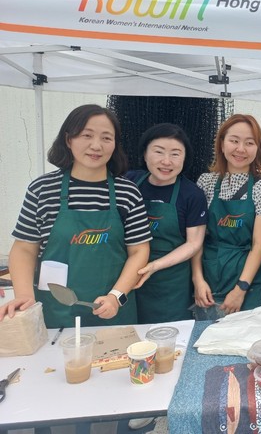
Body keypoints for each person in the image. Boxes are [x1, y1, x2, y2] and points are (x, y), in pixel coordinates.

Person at [0, 104, 151, 328]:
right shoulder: (42, 189)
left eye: (106, 138)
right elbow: (24, 248)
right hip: (54, 312)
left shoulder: (127, 192)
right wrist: (23, 295)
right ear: (68, 139)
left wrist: (116, 296)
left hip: (112, 313)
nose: (96, 145)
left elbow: (139, 250)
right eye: (86, 135)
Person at [194, 114, 261, 314]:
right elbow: (196, 240)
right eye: (234, 141)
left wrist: (241, 288)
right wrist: (197, 280)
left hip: (250, 283)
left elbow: (259, 245)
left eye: (249, 143)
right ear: (222, 144)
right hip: (209, 279)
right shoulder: (206, 183)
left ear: (258, 149)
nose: (241, 149)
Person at [126, 123, 207, 324]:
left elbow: (194, 243)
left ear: (185, 158)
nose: (166, 161)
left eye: (175, 154)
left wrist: (155, 265)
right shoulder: (129, 182)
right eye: (159, 151)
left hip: (170, 283)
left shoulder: (192, 195)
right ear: (145, 154)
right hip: (128, 276)